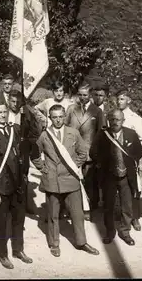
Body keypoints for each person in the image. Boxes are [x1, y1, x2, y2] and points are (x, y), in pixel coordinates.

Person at [32, 105, 99, 258]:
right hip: (52, 181)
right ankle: (54, 244)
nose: (58, 120)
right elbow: (35, 154)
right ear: (50, 118)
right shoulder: (44, 136)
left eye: (60, 116)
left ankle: (81, 242)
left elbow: (83, 153)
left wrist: (73, 166)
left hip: (71, 179)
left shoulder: (74, 133)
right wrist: (44, 169)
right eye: (54, 117)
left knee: (77, 214)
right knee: (53, 215)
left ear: (64, 117)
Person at [0, 100, 32, 269]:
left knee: (19, 219)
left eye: (5, 112)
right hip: (1, 184)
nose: (3, 115)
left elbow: (24, 148)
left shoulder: (14, 129)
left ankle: (18, 250)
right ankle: (2, 254)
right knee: (1, 221)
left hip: (17, 183)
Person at [90, 109, 142, 246]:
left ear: (123, 121)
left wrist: (130, 162)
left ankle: (125, 232)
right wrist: (103, 163)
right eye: (112, 119)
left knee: (127, 205)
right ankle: (110, 232)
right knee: (108, 206)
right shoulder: (103, 135)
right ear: (109, 120)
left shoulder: (131, 134)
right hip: (109, 176)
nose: (115, 122)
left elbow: (139, 152)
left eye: (118, 119)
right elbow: (93, 152)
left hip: (126, 176)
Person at [65, 83, 105, 217]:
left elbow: (101, 133)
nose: (82, 98)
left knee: (89, 180)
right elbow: (64, 128)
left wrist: (97, 153)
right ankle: (72, 208)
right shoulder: (71, 109)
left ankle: (89, 207)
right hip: (73, 150)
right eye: (80, 95)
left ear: (90, 95)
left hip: (89, 152)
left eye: (85, 95)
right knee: (73, 179)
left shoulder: (97, 111)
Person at [115, 89, 142, 231]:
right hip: (115, 159)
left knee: (134, 187)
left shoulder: (136, 119)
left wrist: (132, 150)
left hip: (130, 160)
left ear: (129, 100)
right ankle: (122, 214)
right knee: (118, 188)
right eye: (118, 99)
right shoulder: (112, 116)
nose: (119, 101)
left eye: (122, 99)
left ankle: (134, 217)